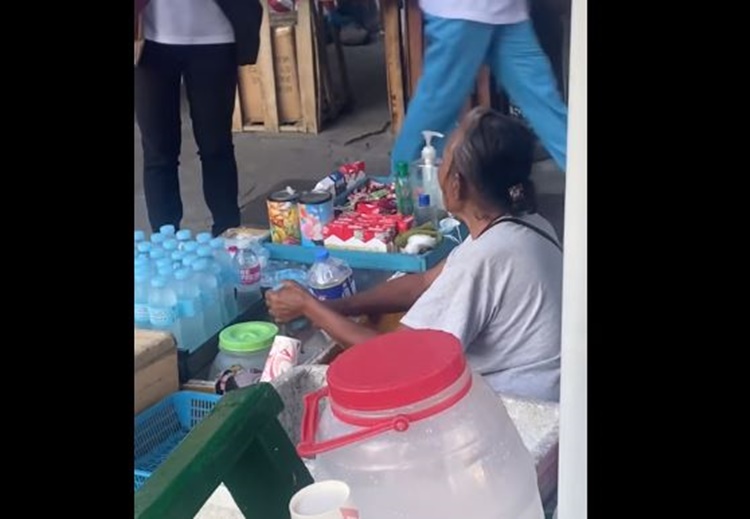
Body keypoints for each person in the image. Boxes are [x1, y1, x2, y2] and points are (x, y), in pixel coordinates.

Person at [267, 108, 563, 402]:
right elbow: (423, 282)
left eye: (445, 159)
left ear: (457, 185)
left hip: (522, 414)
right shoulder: (523, 224)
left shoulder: (486, 258)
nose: (439, 169)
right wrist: (335, 306)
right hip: (549, 395)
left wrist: (308, 306)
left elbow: (398, 362)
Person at [391, 0, 568, 174]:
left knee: (543, 101)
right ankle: (399, 189)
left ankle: (582, 170)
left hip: (506, 12)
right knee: (438, 105)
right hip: (462, 12)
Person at [134, 0, 262, 236]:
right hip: (149, 40)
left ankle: (229, 237)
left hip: (215, 38)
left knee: (216, 147)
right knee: (158, 152)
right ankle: (165, 245)